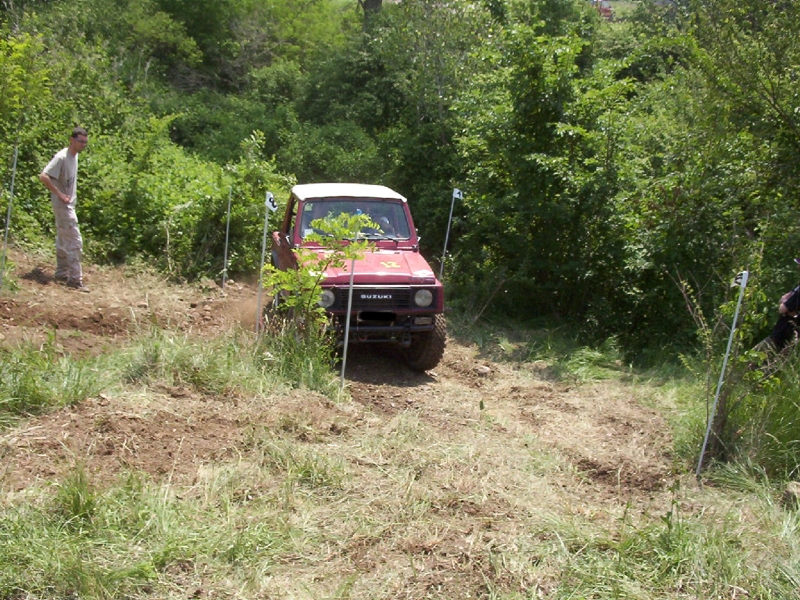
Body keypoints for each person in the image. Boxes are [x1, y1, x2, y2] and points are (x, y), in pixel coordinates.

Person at [39, 127, 89, 292]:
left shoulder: (74, 157)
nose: (83, 144)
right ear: (72, 140)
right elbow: (44, 176)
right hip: (63, 205)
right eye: (80, 141)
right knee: (75, 241)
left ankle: (61, 273)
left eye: (85, 142)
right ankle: (75, 280)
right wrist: (60, 194)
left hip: (67, 204)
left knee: (62, 238)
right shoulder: (61, 157)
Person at [768, 259, 800, 352]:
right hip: (785, 332)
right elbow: (783, 298)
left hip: (784, 333)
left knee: (754, 361)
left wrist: (785, 303)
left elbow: (782, 308)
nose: (798, 267)